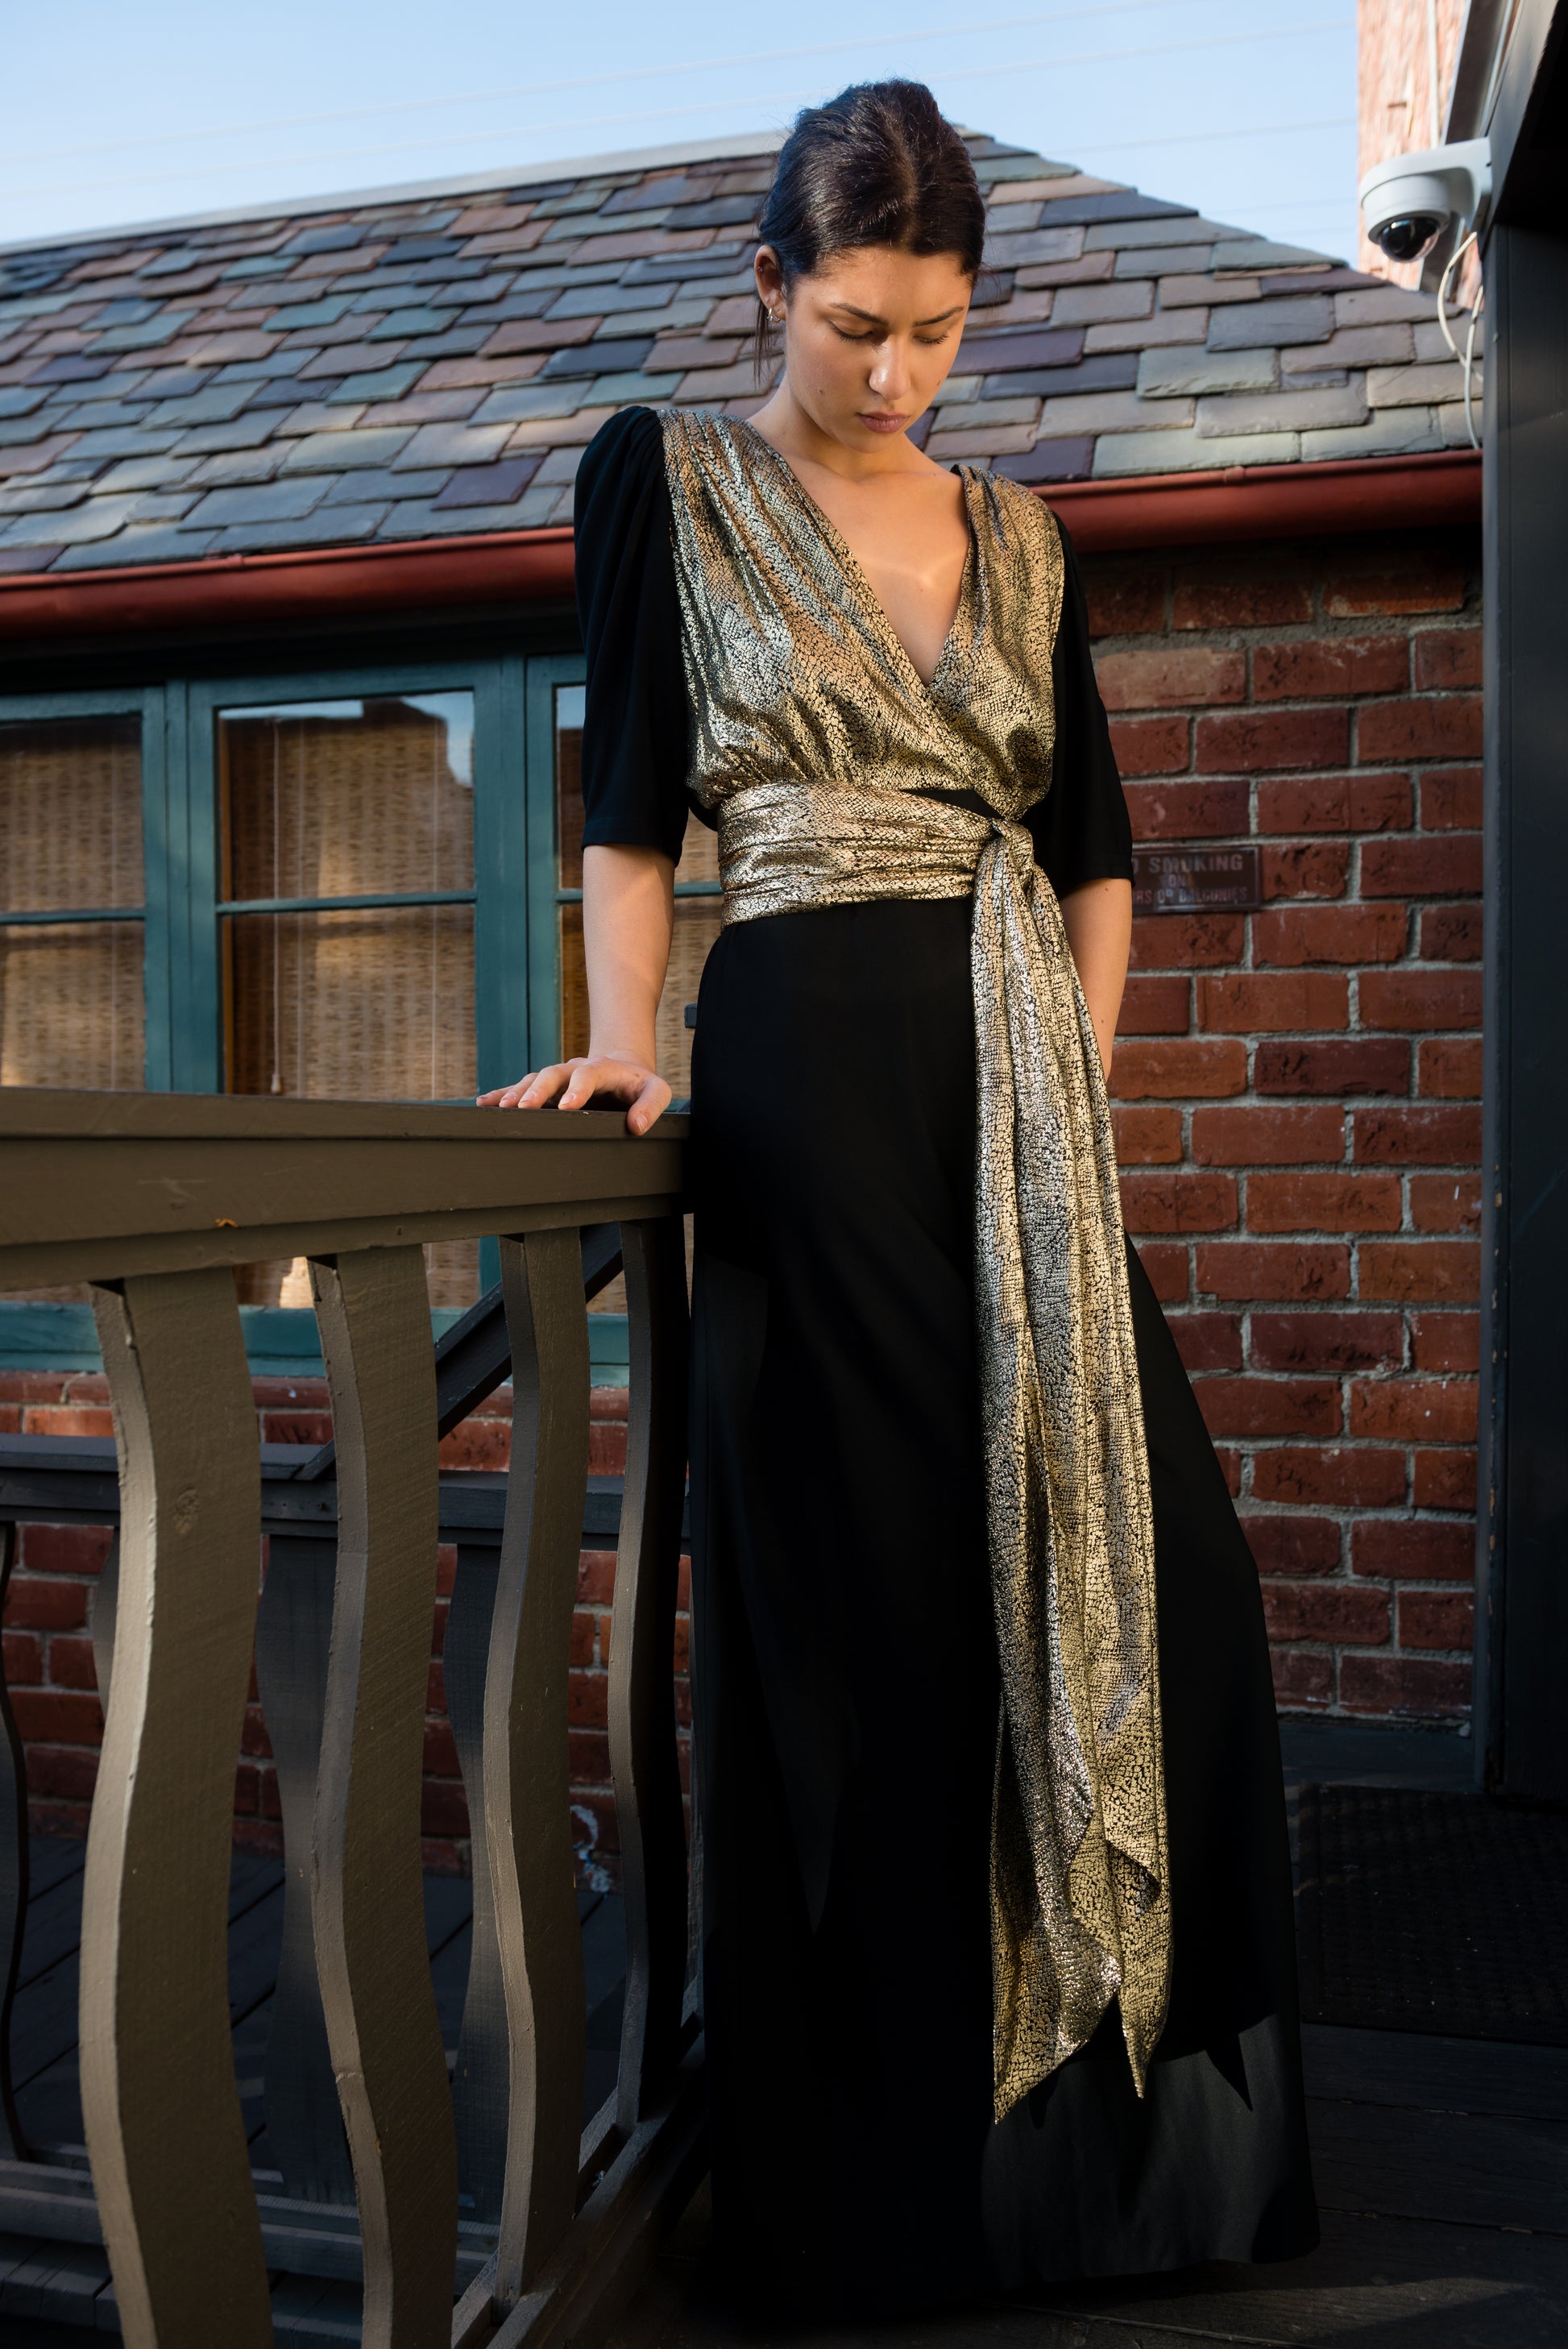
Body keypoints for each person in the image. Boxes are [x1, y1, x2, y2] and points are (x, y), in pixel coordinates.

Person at [480, 79, 1317, 2318]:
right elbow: (635, 811)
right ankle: (872, 2201)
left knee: (1166, 1597)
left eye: (937, 331)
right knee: (873, 1621)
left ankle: (1086, 2167)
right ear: (771, 286)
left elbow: (1096, 860)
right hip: (790, 1095)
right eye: (857, 325)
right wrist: (632, 1037)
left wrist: (1078, 1087)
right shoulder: (662, 477)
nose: (896, 373)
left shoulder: (1024, 538)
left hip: (1017, 1098)